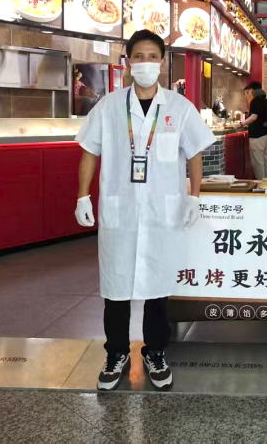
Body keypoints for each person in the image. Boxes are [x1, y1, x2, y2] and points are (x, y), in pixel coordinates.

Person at [74, 29, 215, 392]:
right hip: (119, 208)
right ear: (128, 62)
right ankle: (116, 353)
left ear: (162, 62)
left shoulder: (179, 108)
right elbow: (90, 151)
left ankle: (155, 352)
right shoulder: (109, 106)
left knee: (157, 287)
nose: (145, 63)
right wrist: (82, 195)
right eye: (138, 56)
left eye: (152, 56)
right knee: (116, 287)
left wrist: (194, 196)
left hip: (160, 212)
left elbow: (195, 153)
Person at [241, 81, 267, 179]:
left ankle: (261, 184)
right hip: (266, 136)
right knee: (264, 161)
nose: (247, 95)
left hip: (257, 136)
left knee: (258, 163)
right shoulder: (265, 100)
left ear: (253, 91)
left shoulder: (255, 101)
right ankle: (266, 182)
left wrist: (241, 123)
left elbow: (254, 117)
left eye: (248, 92)